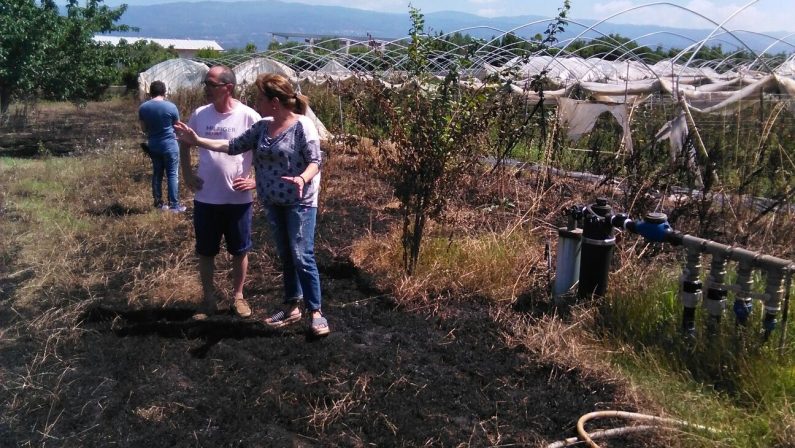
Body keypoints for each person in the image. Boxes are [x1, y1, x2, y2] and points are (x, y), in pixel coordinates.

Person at [175, 73, 329, 336]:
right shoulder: (263, 126)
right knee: (286, 255)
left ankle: (316, 312)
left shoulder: (303, 125)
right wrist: (198, 141)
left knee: (302, 255)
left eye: (260, 98)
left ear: (275, 102)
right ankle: (292, 306)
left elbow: (316, 161)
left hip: (299, 201)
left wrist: (302, 178)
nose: (255, 102)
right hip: (273, 201)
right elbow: (232, 146)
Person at [179, 66, 262, 319]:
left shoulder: (249, 117)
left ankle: (238, 297)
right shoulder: (200, 115)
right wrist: (187, 173)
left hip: (238, 199)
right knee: (206, 251)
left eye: (210, 84)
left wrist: (256, 180)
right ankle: (208, 300)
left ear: (228, 87)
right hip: (206, 198)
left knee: (240, 250)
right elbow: (185, 143)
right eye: (205, 83)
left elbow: (264, 152)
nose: (205, 88)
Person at [138, 80, 185, 212]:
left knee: (157, 174)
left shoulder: (143, 108)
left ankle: (158, 203)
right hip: (170, 145)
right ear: (164, 92)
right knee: (172, 174)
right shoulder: (171, 107)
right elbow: (178, 126)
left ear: (150, 92)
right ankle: (174, 205)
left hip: (154, 145)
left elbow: (143, 128)